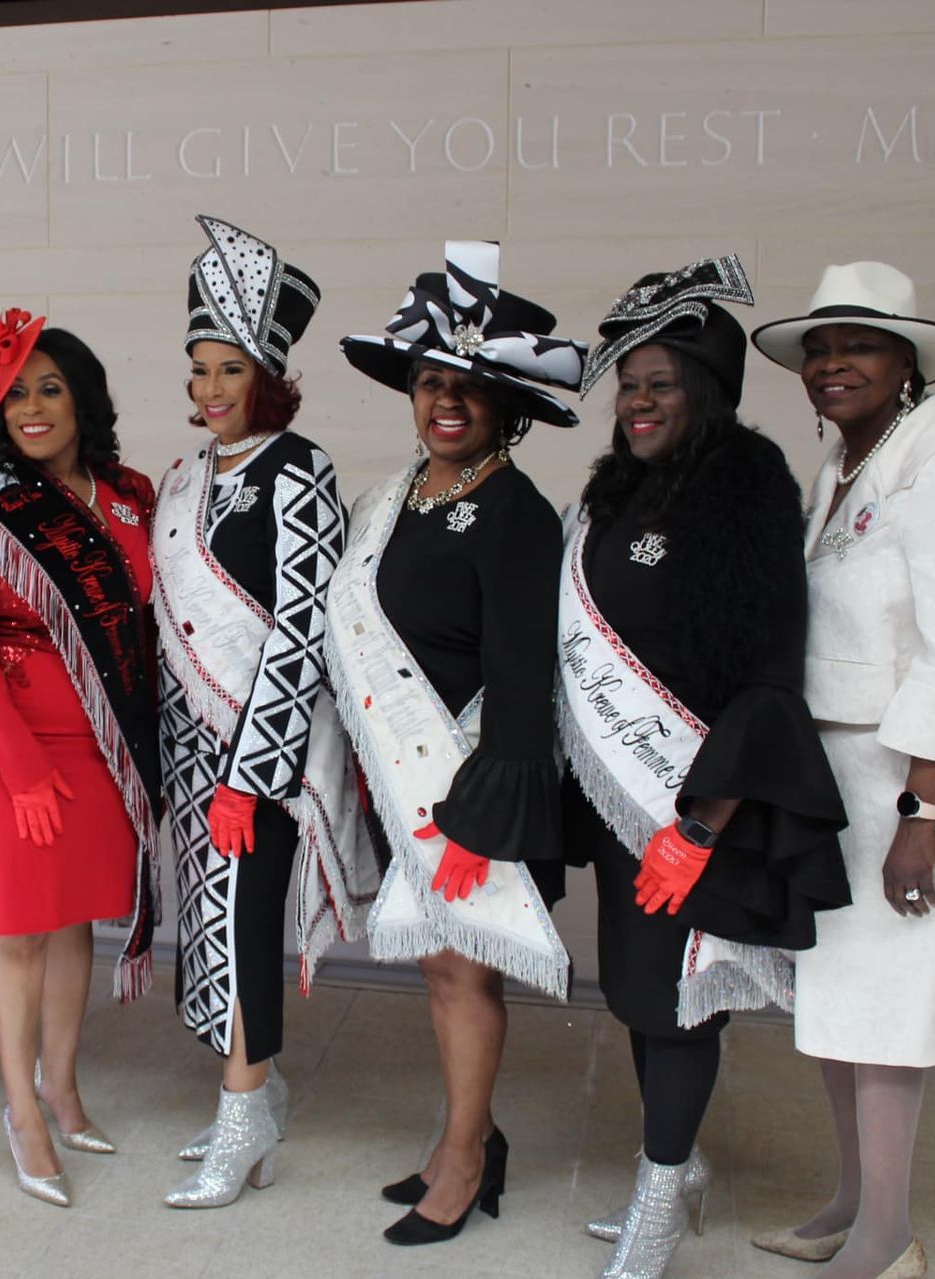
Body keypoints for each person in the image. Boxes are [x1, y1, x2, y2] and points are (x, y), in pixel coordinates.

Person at [560, 257, 850, 1278]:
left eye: (661, 384)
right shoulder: (612, 488)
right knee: (640, 993)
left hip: (692, 804)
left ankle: (657, 1192)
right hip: (617, 798)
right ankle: (673, 1172)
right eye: (629, 384)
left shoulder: (748, 483)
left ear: (707, 390)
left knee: (681, 999)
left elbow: (766, 669)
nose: (638, 402)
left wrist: (699, 826)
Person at [751, 262, 935, 1279]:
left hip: (910, 783)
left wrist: (924, 813)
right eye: (819, 349)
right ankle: (852, 1202)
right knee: (841, 1004)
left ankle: (888, 1238)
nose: (831, 365)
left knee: (891, 1010)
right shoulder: (845, 467)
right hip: (840, 783)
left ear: (907, 362)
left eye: (856, 346)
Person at [327, 241, 581, 1247]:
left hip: (472, 783)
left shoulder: (515, 514)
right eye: (431, 381)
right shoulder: (402, 497)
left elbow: (526, 681)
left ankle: (468, 1157)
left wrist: (486, 815)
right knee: (439, 973)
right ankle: (465, 1136)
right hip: (406, 777)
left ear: (505, 404)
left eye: (469, 387)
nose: (446, 401)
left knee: (464, 972)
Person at [152, 216, 375, 1208]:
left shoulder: (302, 469)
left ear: (269, 375)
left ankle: (244, 1118)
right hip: (194, 749)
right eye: (198, 369)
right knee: (208, 927)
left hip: (262, 758)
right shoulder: (185, 476)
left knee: (245, 926)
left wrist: (254, 773)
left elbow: (299, 632)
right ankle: (256, 1093)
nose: (207, 390)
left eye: (227, 370)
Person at [0, 313, 160, 1207]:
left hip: (98, 739)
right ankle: (21, 1108)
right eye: (15, 390)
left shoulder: (130, 493)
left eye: (50, 388)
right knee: (20, 924)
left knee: (73, 921)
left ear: (84, 399)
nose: (32, 407)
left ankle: (63, 1083)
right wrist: (21, 767)